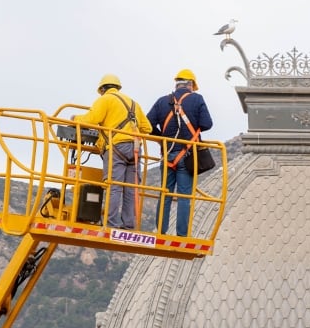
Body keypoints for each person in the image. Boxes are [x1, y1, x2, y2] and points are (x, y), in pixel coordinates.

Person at [73, 74, 151, 229]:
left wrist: (75, 118)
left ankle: (111, 224)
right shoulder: (133, 103)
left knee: (113, 186)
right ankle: (129, 224)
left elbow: (92, 119)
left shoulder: (105, 100)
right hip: (135, 149)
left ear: (102, 89)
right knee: (130, 188)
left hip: (116, 147)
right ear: (118, 87)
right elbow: (147, 128)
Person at [147, 68, 214, 237]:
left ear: (176, 84)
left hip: (167, 153)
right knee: (184, 196)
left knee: (165, 193)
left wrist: (162, 137)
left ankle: (161, 232)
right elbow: (207, 124)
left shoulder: (162, 102)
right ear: (191, 85)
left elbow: (147, 125)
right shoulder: (197, 99)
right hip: (188, 155)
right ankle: (182, 234)